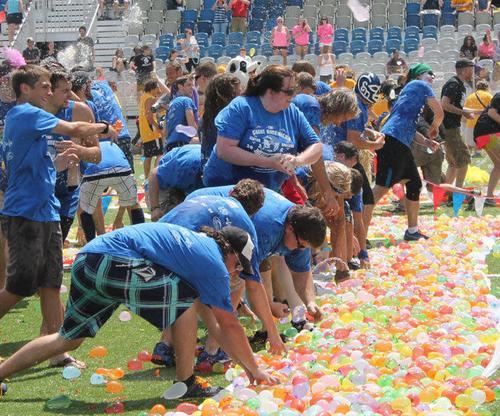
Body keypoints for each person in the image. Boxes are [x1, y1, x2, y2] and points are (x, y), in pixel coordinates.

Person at [0, 223, 278, 397]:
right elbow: (227, 325)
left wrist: (248, 367)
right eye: (238, 265)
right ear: (229, 252)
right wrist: (255, 370)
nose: (235, 272)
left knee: (68, 338)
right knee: (183, 298)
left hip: (88, 260)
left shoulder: (195, 247)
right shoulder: (214, 264)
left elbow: (216, 323)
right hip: (113, 259)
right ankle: (187, 381)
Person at [0, 65, 118, 369]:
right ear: (26, 89)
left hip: (46, 209)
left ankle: (57, 351)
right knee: (20, 287)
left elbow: (32, 162)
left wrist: (58, 161)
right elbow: (75, 129)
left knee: (51, 283)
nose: (49, 92)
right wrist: (105, 128)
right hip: (25, 212)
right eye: (44, 86)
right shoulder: (26, 113)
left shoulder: (26, 119)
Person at [153, 180, 286, 366]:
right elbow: (254, 285)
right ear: (255, 211)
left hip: (154, 249)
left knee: (187, 289)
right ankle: (212, 350)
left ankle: (165, 345)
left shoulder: (205, 198)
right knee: (237, 280)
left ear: (231, 192)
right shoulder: (244, 223)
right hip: (182, 253)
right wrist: (273, 333)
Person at [203, 65, 338, 215]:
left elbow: (316, 147)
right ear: (271, 92)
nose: (293, 95)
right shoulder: (242, 107)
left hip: (263, 193)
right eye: (289, 91)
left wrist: (297, 161)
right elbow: (224, 150)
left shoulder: (292, 112)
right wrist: (268, 161)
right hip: (227, 187)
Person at [374, 63, 443, 241]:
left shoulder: (411, 94)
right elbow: (440, 113)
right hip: (393, 142)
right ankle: (356, 221)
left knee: (413, 184)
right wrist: (434, 128)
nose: (432, 77)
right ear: (418, 76)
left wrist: (427, 140)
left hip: (397, 142)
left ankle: (412, 231)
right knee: (381, 188)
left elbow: (409, 128)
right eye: (429, 73)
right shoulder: (420, 86)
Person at [321, 73, 385, 258]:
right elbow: (353, 138)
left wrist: (368, 132)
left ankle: (349, 249)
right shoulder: (358, 106)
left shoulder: (355, 103)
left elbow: (351, 130)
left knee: (348, 206)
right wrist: (375, 145)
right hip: (343, 158)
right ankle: (354, 250)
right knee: (355, 205)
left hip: (336, 155)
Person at [441, 59, 475, 188]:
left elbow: (455, 106)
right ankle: (459, 190)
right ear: (464, 70)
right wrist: (463, 113)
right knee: (464, 159)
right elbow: (444, 104)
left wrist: (474, 112)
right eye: (471, 69)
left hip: (449, 126)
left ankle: (447, 191)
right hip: (450, 127)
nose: (472, 72)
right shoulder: (454, 84)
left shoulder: (458, 84)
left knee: (453, 163)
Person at [147, 144, 203, 220]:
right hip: (159, 186)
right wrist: (155, 208)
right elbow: (154, 175)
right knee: (172, 220)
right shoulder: (185, 166)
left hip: (185, 181)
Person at [199, 73, 241, 165]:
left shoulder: (206, 118)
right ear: (224, 97)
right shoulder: (225, 121)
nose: (240, 99)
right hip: (224, 174)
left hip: (207, 171)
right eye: (236, 94)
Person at [473, 92, 500, 205]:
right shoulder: (499, 96)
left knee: (499, 165)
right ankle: (489, 196)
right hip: (488, 132)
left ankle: (489, 196)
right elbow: (492, 112)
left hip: (486, 133)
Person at [165, 76, 198, 152]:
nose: (192, 88)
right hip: (183, 144)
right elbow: (192, 126)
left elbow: (165, 131)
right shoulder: (186, 100)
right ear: (180, 86)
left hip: (170, 145)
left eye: (192, 85)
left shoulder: (171, 104)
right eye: (189, 85)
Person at [139, 80, 163, 178]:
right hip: (152, 130)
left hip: (144, 130)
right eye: (157, 87)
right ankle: (154, 177)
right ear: (152, 88)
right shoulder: (150, 98)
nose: (159, 90)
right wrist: (157, 126)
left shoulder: (144, 96)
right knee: (160, 153)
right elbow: (149, 115)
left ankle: (147, 178)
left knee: (148, 155)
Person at [464, 79, 492, 155]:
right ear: (487, 87)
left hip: (470, 124)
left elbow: (465, 111)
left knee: (469, 145)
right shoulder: (489, 96)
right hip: (483, 125)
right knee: (479, 146)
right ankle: (477, 156)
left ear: (476, 88)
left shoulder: (470, 97)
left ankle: (469, 161)